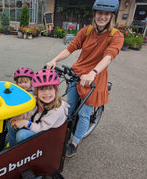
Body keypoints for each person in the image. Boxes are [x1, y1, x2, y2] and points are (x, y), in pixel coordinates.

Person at [46, 0, 124, 157]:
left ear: (111, 16)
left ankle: (74, 142)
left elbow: (109, 56)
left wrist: (93, 72)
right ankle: (63, 132)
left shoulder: (116, 36)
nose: (102, 17)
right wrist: (54, 60)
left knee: (84, 114)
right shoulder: (87, 31)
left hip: (95, 77)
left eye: (106, 14)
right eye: (100, 13)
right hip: (77, 74)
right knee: (69, 107)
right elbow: (70, 48)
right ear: (95, 14)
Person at [7, 69, 69, 146]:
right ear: (37, 91)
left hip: (48, 133)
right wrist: (21, 117)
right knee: (12, 124)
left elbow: (43, 128)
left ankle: (22, 154)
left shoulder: (56, 110)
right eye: (42, 89)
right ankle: (12, 149)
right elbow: (31, 113)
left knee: (21, 134)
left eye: (50, 88)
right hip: (37, 124)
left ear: (56, 90)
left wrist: (25, 123)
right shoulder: (37, 100)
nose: (46, 93)